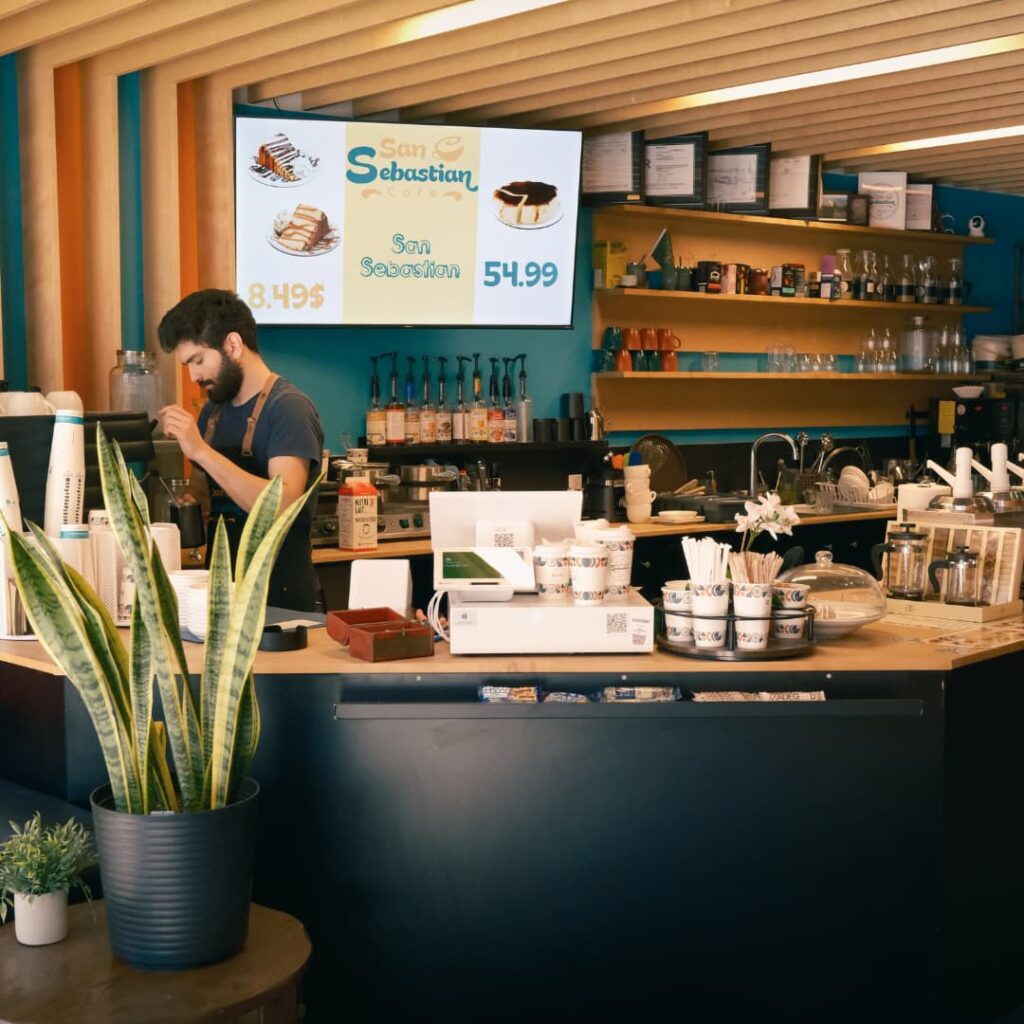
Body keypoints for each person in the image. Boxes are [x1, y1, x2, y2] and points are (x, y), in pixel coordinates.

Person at [157, 289, 324, 612]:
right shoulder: (212, 413)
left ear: (232, 345)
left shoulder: (289, 409)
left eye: (199, 360)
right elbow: (208, 497)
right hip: (224, 603)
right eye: (187, 365)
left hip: (283, 607)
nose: (193, 376)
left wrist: (201, 452)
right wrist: (190, 501)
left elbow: (281, 506)